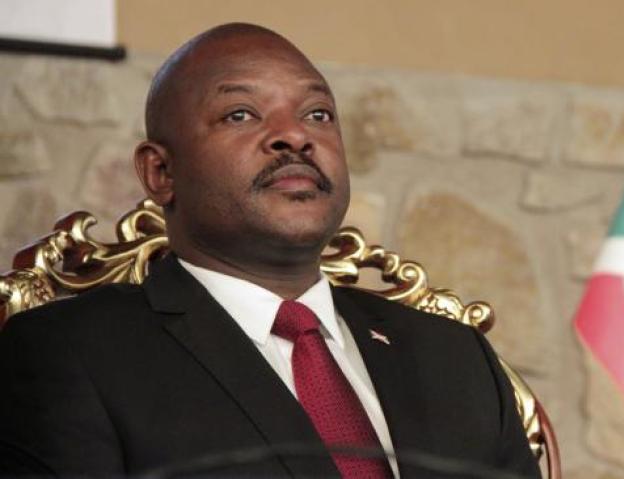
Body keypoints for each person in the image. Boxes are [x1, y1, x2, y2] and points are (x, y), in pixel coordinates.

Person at [0, 23, 541, 478]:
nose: (295, 137)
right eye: (241, 114)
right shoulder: (70, 354)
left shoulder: (456, 358)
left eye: (317, 114)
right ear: (161, 173)